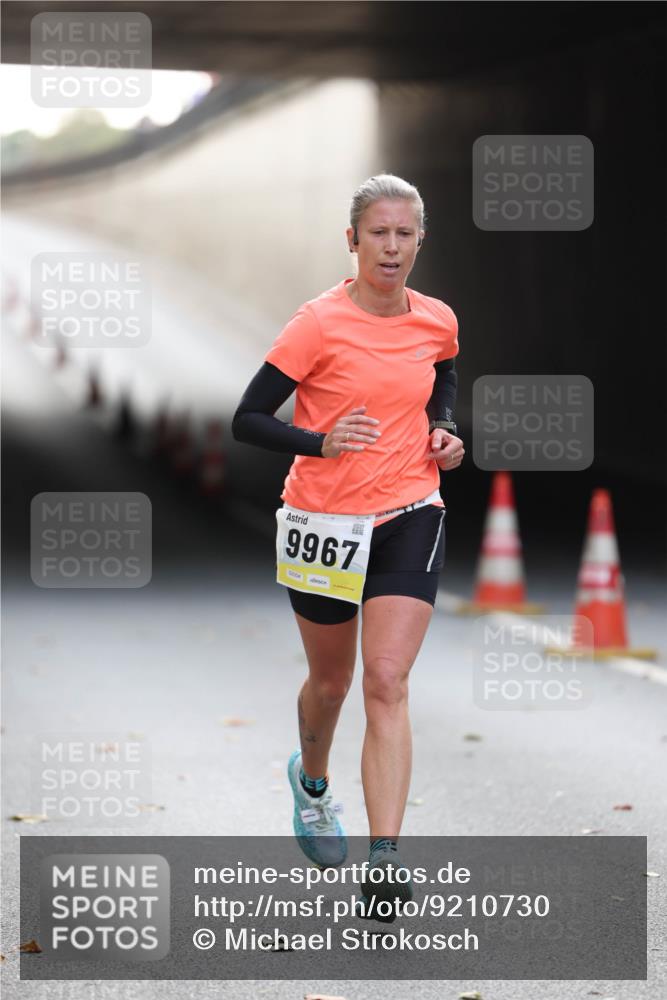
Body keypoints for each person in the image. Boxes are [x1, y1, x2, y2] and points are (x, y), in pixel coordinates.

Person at [232, 173, 463, 921]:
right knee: (330, 686)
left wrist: (445, 430)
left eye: (404, 233)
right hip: (323, 524)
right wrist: (319, 441)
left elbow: (444, 377)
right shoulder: (317, 324)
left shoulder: (436, 320)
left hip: (409, 509)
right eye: (378, 234)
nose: (391, 247)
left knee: (386, 682)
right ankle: (312, 782)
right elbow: (247, 418)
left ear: (419, 239)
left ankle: (386, 859)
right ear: (352, 241)